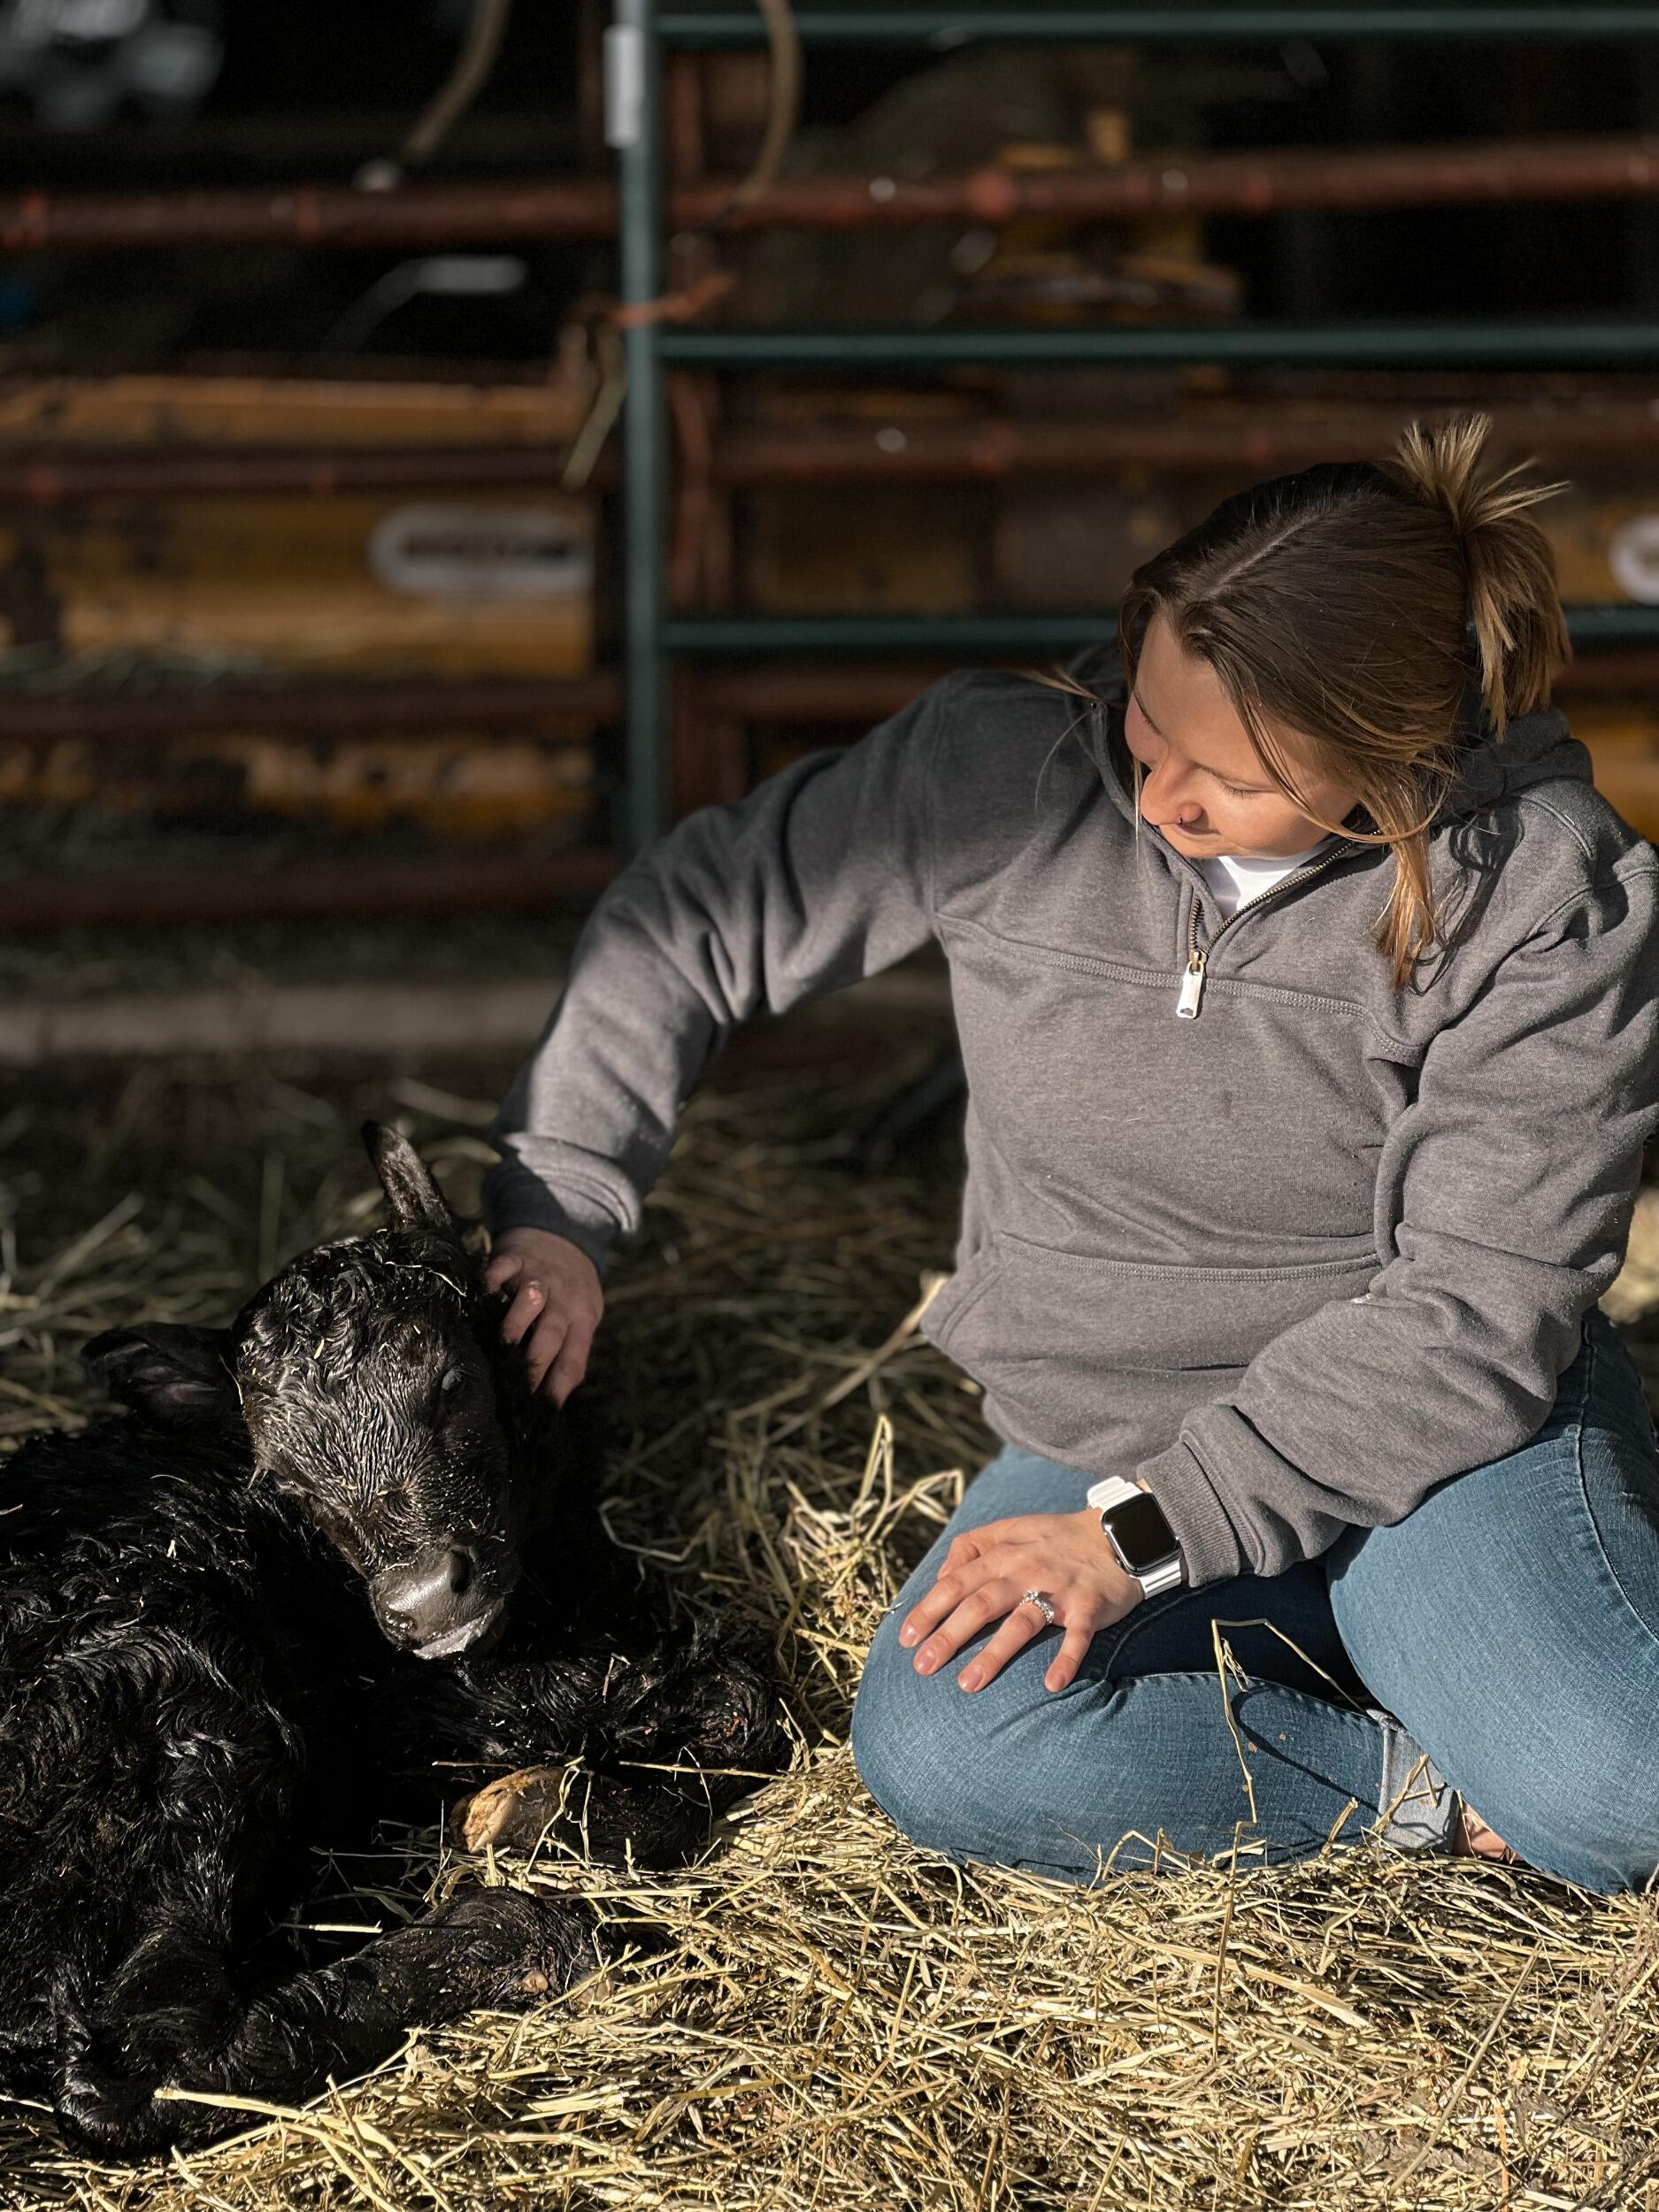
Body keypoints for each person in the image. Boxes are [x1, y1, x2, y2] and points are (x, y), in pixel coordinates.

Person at [481, 414, 1659, 1895]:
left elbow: (1473, 1315)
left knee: (1623, 1785)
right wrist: (561, 1201)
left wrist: (1144, 1541)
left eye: (1226, 777)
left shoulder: (1541, 896)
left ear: (1384, 762)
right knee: (948, 1746)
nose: (1155, 795)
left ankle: (1454, 1654)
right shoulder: (1006, 776)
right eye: (1150, 720)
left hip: (1432, 1454)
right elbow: (694, 921)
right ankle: (1409, 1783)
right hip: (1104, 1431)